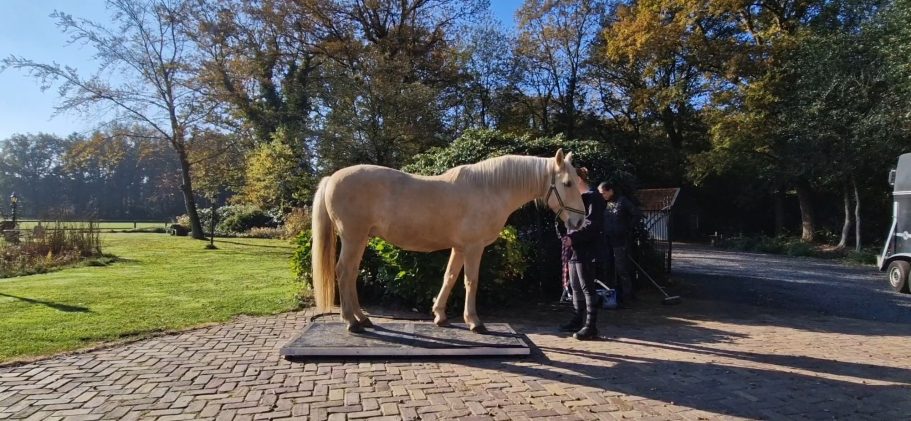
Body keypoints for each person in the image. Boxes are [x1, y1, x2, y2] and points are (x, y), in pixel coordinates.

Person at [560, 167, 606, 340]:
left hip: (587, 248)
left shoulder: (594, 197)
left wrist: (573, 238)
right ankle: (577, 320)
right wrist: (567, 235)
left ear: (578, 180)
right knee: (575, 286)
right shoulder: (578, 199)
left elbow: (593, 224)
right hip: (575, 249)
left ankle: (591, 326)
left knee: (587, 287)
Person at [598, 181, 640, 307]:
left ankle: (627, 297)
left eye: (604, 193)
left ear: (610, 191)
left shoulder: (623, 201)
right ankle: (610, 296)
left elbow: (637, 214)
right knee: (607, 268)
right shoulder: (605, 204)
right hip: (607, 240)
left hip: (620, 241)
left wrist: (627, 229)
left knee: (621, 269)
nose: (602, 195)